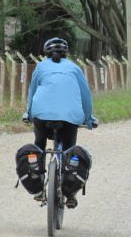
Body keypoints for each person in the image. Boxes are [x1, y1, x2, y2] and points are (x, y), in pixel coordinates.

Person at [24, 37, 97, 208]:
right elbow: (86, 96)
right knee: (69, 150)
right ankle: (70, 192)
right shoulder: (74, 68)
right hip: (70, 117)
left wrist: (28, 114)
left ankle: (38, 182)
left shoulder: (41, 67)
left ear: (46, 52)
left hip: (41, 115)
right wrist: (88, 118)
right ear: (66, 53)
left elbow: (32, 92)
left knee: (39, 143)